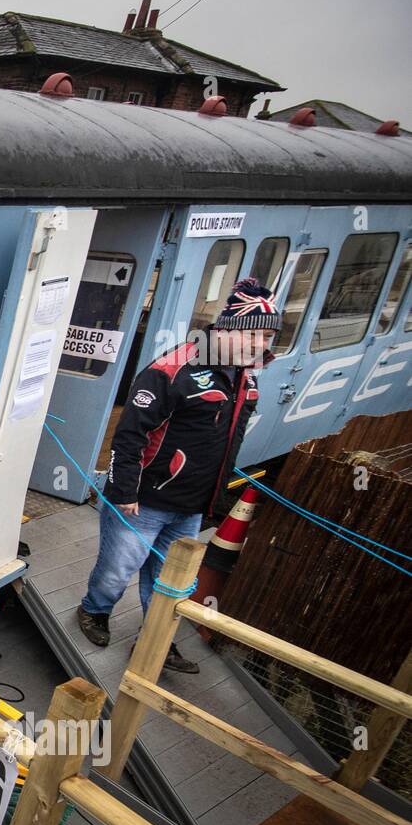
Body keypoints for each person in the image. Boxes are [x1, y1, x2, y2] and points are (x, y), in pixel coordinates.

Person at [77, 277, 278, 672]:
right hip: (144, 502)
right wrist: (123, 491)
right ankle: (94, 612)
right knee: (118, 570)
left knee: (170, 582)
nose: (260, 343)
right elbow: (130, 433)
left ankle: (153, 642)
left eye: (268, 335)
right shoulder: (173, 369)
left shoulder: (247, 375)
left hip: (192, 506)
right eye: (252, 333)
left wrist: (215, 501)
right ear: (226, 329)